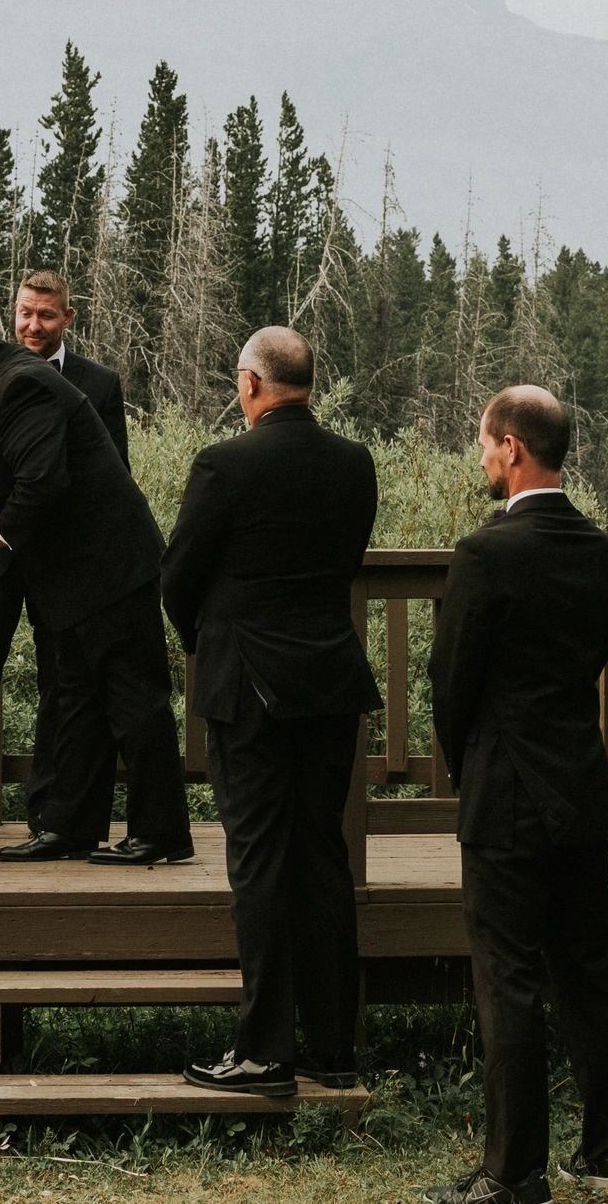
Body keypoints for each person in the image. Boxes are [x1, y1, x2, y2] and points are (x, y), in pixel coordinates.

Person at [420, 386, 608, 1204]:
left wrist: (468, 757)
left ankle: (514, 1172)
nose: (480, 456)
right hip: (577, 777)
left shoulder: (486, 553)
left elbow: (451, 679)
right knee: (592, 964)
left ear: (512, 447)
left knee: (507, 975)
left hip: (506, 786)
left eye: (484, 443)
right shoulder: (600, 550)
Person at [162, 328, 379, 1098]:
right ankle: (330, 1045)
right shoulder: (354, 463)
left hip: (246, 685)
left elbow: (178, 576)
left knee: (256, 859)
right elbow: (344, 562)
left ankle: (262, 1051)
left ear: (250, 384)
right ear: (309, 384)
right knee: (322, 856)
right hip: (328, 678)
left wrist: (211, 639)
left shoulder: (225, 462)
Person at [0, 287, 193, 867]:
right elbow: (1, 476)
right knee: (73, 699)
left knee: (134, 700)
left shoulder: (19, 383)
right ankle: (68, 828)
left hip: (108, 568)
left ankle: (163, 833)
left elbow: (42, 482)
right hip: (72, 577)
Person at [0, 270, 128, 776]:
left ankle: (52, 811)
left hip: (61, 560)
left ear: (67, 318)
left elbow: (108, 474)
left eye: (46, 314)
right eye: (25, 313)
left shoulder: (99, 384)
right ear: (13, 313)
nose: (33, 324)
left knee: (62, 681)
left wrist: (26, 521)